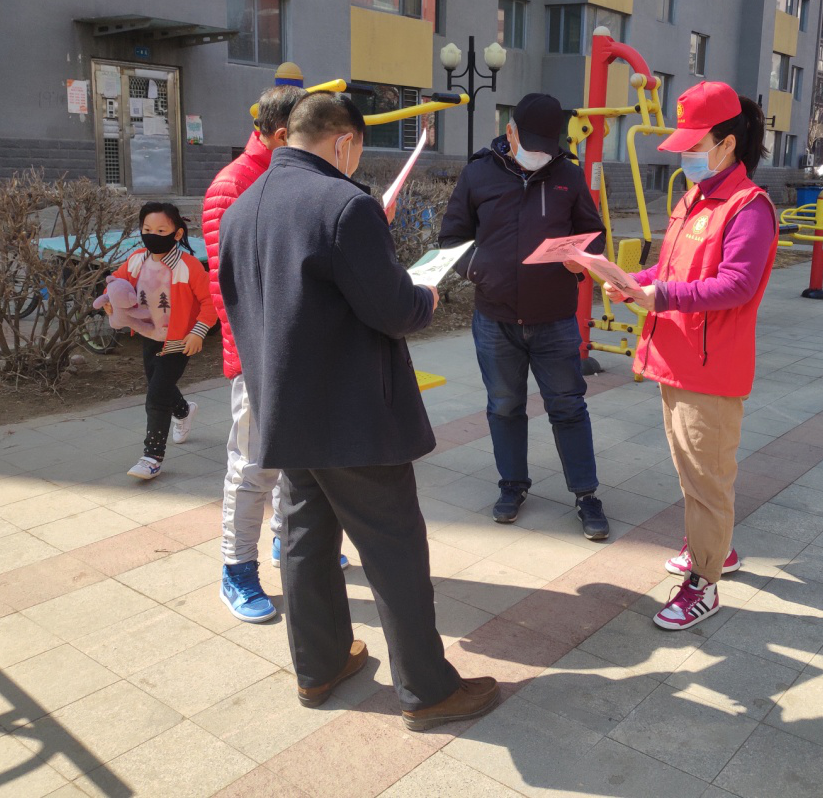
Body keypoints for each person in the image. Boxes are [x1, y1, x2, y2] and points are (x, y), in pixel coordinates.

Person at [219, 92, 497, 726]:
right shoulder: (346, 205)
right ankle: (428, 690)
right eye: (358, 150)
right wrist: (424, 292)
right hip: (353, 416)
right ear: (343, 142)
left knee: (306, 542)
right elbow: (394, 311)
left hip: (282, 410)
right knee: (394, 549)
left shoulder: (239, 209)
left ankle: (318, 668)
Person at [604, 82, 778, 631]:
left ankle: (704, 583)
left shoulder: (749, 208)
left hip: (711, 367)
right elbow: (672, 269)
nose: (684, 155)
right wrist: (633, 281)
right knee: (692, 471)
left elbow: (737, 285)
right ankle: (715, 549)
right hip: (675, 357)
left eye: (693, 145)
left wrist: (662, 295)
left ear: (726, 144)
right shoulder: (692, 199)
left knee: (708, 478)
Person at [203, 84, 349, 625]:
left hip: (299, 351)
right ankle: (235, 570)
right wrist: (254, 361)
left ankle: (290, 545)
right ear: (286, 135)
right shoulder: (234, 187)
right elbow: (229, 289)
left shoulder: (291, 176)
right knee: (252, 467)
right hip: (259, 358)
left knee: (298, 463)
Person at [439, 93, 611, 540]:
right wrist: (479, 270)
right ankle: (512, 485)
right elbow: (451, 238)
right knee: (504, 406)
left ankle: (586, 494)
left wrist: (584, 256)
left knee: (568, 407)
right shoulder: (478, 173)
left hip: (554, 318)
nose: (539, 154)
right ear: (509, 132)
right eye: (530, 142)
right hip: (495, 318)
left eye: (547, 146)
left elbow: (595, 235)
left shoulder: (568, 175)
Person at [107, 203, 215, 481]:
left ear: (177, 234)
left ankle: (152, 457)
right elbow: (116, 284)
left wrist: (198, 332)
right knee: (160, 386)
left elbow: (210, 301)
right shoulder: (136, 260)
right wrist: (110, 303)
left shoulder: (188, 265)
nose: (152, 235)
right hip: (149, 337)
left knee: (156, 394)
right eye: (147, 229)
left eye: (161, 230)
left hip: (179, 341)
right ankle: (183, 410)